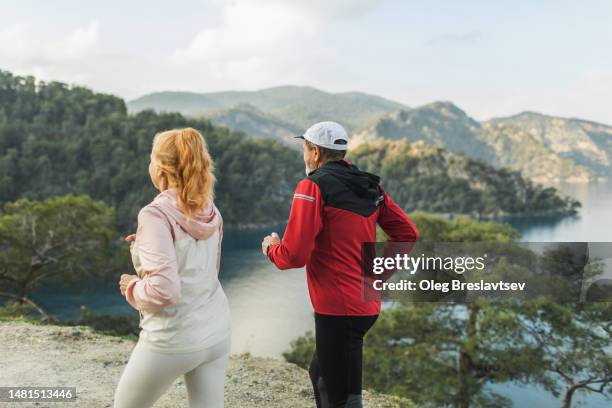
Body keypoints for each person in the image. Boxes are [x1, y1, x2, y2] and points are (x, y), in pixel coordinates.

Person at [261, 121, 419, 408]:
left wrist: (272, 248)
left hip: (338, 309)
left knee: (342, 398)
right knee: (321, 375)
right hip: (362, 304)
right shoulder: (370, 186)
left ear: (316, 152)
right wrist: (375, 278)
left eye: (305, 148)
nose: (305, 155)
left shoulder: (312, 187)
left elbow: (293, 256)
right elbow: (407, 234)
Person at [115, 128, 230, 408]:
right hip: (216, 331)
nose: (149, 165)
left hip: (173, 337)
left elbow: (165, 291)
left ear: (162, 169)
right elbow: (204, 272)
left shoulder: (154, 214)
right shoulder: (209, 209)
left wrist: (132, 286)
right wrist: (147, 246)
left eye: (152, 159)